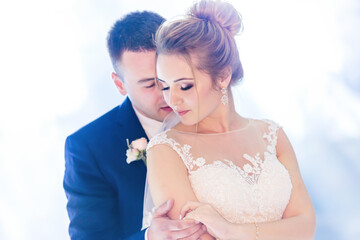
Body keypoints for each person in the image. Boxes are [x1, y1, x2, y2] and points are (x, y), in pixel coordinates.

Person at [145, 0, 316, 239]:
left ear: (224, 75)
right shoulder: (166, 150)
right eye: (164, 86)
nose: (172, 100)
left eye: (184, 86)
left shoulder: (272, 135)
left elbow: (306, 226)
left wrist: (230, 231)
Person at [63, 11, 206, 240]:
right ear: (120, 84)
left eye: (170, 76)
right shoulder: (88, 148)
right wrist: (148, 237)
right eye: (150, 84)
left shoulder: (213, 116)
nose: (168, 94)